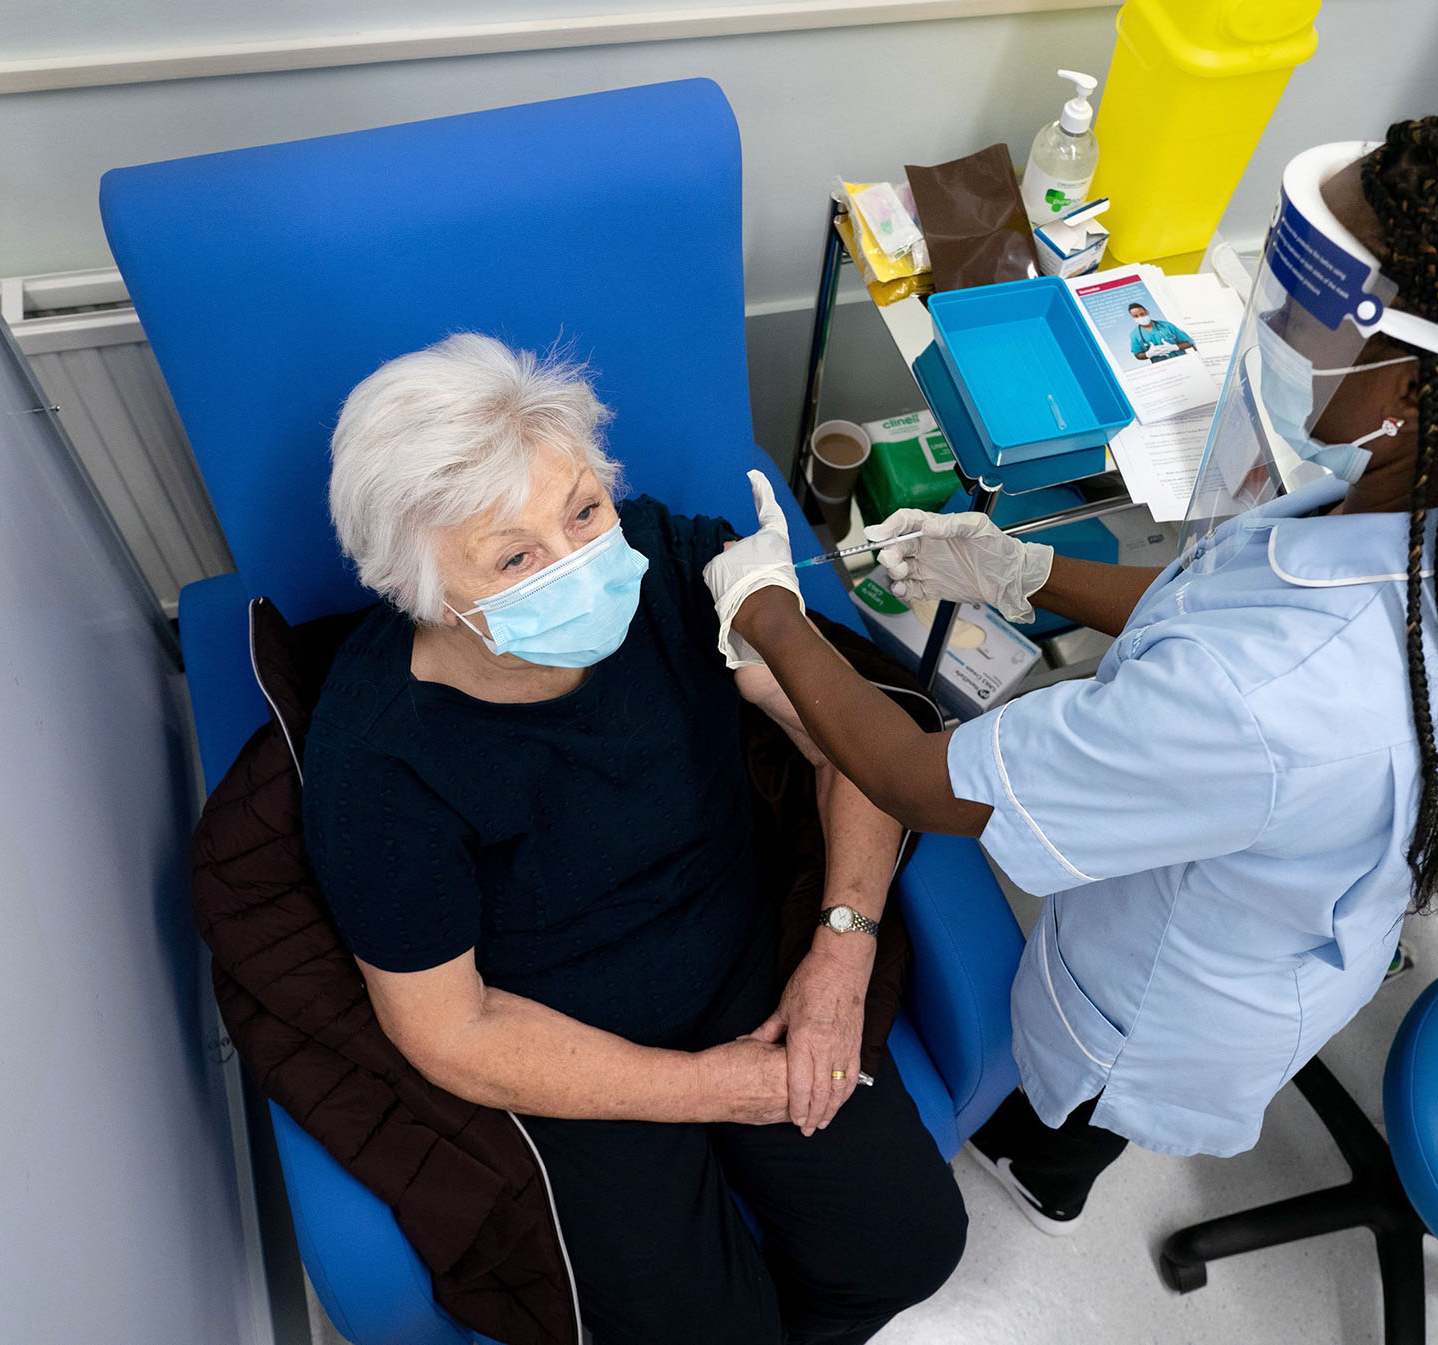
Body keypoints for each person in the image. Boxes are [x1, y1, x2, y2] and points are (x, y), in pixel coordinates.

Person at [702, 105, 1438, 1232]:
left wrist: (771, 608)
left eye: (1314, 308)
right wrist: (1025, 568)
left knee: (1071, 1113)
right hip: (1292, 908)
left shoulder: (1267, 698)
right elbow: (1224, 594)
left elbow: (921, 784)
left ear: (1420, 399)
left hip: (1168, 996)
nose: (1279, 325)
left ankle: (1040, 1170)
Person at [301, 335, 964, 1343]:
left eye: (582, 510)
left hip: (747, 953)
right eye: (514, 556)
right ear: (419, 590)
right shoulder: (380, 770)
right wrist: (710, 1089)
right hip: (562, 1038)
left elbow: (855, 751)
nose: (579, 564)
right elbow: (450, 1028)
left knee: (908, 1247)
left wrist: (841, 947)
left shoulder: (670, 561)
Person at [1127, 302, 1195, 361]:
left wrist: (1174, 347)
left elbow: (1189, 342)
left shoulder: (1167, 325)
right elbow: (1137, 355)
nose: (1140, 317)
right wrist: (1148, 354)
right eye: (1136, 316)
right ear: (1132, 317)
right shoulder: (1134, 335)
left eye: (1142, 314)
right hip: (1161, 368)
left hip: (1183, 361)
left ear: (1147, 312)